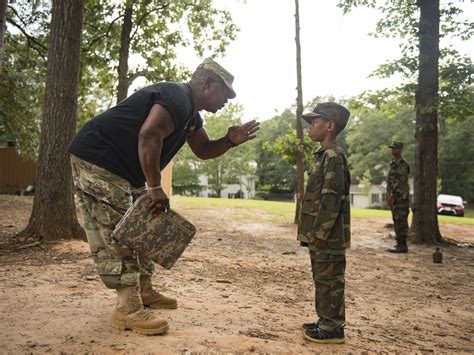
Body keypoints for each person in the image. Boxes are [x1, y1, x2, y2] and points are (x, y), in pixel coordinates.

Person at [69, 58, 259, 335]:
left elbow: (204, 149)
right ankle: (127, 309)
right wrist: (155, 187)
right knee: (115, 231)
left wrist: (229, 140)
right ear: (207, 84)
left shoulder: (191, 116)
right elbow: (149, 135)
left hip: (125, 170)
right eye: (225, 93)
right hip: (99, 160)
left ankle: (144, 290)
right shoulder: (176, 96)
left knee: (146, 225)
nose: (227, 100)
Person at [297, 102, 351, 344]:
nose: (310, 127)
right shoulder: (323, 156)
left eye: (314, 121)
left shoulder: (333, 157)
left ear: (329, 126)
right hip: (319, 233)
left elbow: (332, 197)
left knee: (330, 281)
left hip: (327, 235)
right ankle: (326, 320)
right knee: (322, 279)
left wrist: (320, 231)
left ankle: (333, 328)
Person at [386, 141, 410, 253]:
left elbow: (400, 181)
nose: (393, 150)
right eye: (392, 148)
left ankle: (402, 244)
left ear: (400, 149)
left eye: (395, 148)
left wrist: (393, 196)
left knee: (401, 220)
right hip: (394, 197)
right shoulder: (393, 163)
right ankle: (398, 243)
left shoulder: (402, 164)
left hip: (401, 197)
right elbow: (390, 182)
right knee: (396, 219)